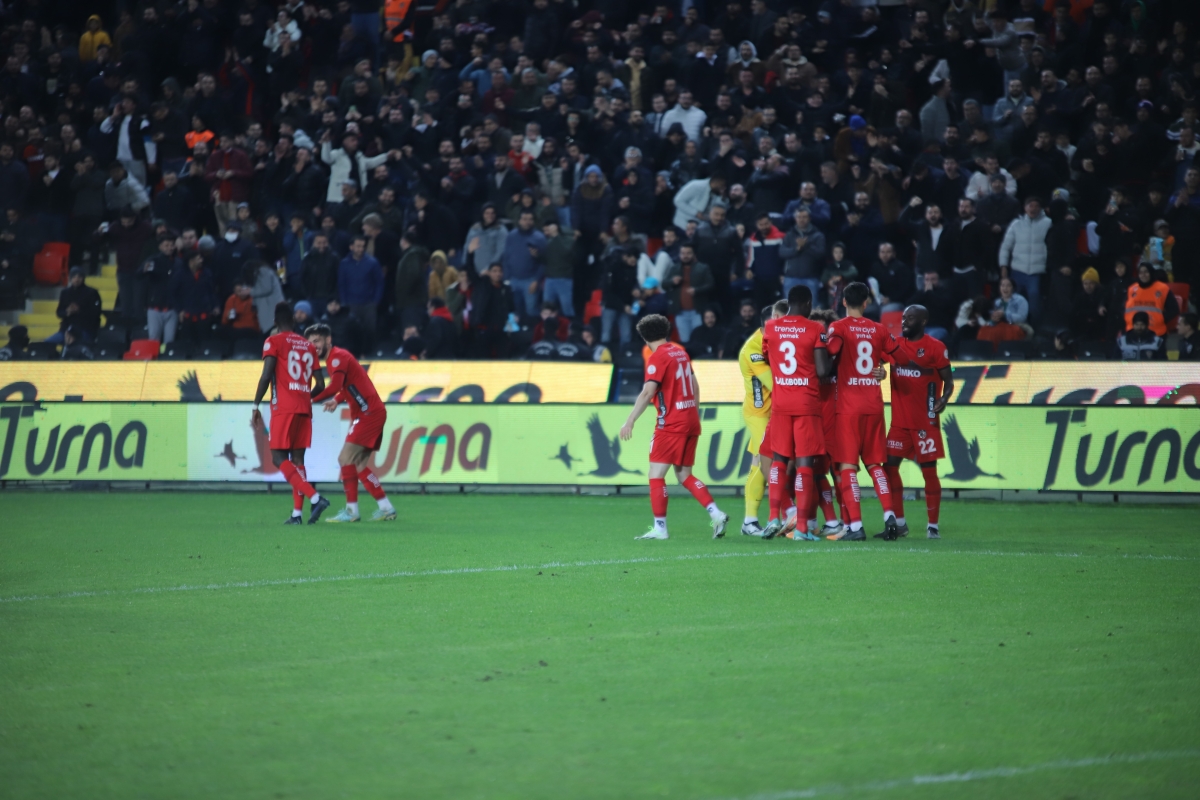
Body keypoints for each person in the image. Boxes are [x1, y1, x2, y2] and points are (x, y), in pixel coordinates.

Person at [618, 313, 728, 540]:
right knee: (684, 474)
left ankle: (660, 528)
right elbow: (695, 387)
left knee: (656, 474)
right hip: (690, 420)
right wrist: (692, 415)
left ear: (644, 337)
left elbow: (648, 392)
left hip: (671, 423)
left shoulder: (657, 357)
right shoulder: (681, 352)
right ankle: (715, 513)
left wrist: (630, 421)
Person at [824, 282, 901, 541]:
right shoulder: (879, 329)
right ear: (866, 303)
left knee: (847, 466)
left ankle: (855, 527)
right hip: (874, 406)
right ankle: (890, 515)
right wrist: (882, 369)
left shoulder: (839, 327)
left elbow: (830, 353)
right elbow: (897, 356)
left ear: (843, 302)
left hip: (848, 407)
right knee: (875, 464)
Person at [759, 284, 833, 540]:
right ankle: (802, 528)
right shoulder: (815, 328)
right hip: (806, 404)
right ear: (809, 304)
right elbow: (823, 371)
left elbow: (769, 358)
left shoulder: (771, 327)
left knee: (778, 461)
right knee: (804, 465)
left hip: (781, 404)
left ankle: (772, 519)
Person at [306, 323, 397, 522]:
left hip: (368, 413)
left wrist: (308, 399)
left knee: (345, 458)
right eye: (310, 343)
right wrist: (336, 400)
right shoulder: (334, 359)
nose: (314, 346)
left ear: (328, 340)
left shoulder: (337, 357)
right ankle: (386, 507)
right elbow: (347, 388)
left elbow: (336, 385)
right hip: (370, 412)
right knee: (359, 464)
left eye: (317, 341)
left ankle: (352, 511)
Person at [881, 305, 955, 541]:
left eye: (910, 318)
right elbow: (877, 365)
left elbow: (949, 382)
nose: (904, 322)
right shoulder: (894, 346)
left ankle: (933, 526)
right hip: (899, 424)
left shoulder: (935, 348)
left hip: (925, 423)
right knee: (889, 467)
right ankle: (900, 523)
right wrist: (881, 374)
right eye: (903, 318)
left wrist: (944, 399)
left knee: (929, 472)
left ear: (923, 322)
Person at [252, 302, 329, 525]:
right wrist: (305, 396)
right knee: (298, 460)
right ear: (294, 322)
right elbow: (321, 384)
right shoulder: (308, 346)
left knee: (278, 457)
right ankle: (297, 515)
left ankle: (315, 498)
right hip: (304, 408)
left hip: (283, 408)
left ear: (275, 322)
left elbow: (267, 375)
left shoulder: (273, 341)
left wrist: (255, 405)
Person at [737, 302, 779, 536]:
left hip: (776, 412)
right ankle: (754, 520)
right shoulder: (753, 348)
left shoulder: (773, 341)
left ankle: (750, 521)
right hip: (758, 413)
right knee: (766, 461)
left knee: (759, 462)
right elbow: (774, 384)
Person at [1123, 262, 1178, 338]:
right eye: (1141, 272)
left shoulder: (1162, 288)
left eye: (1146, 272)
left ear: (1151, 273)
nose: (1143, 275)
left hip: (1156, 332)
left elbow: (1174, 309)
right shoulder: (1131, 289)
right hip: (1133, 331)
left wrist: (1161, 319)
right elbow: (1124, 308)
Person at [50, 267, 102, 343]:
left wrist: (79, 310)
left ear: (83, 278)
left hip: (85, 329)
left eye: (79, 277)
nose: (76, 279)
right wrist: (67, 312)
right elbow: (59, 312)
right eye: (74, 277)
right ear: (70, 278)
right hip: (66, 330)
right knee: (46, 343)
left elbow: (96, 313)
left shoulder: (92, 293)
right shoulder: (65, 292)